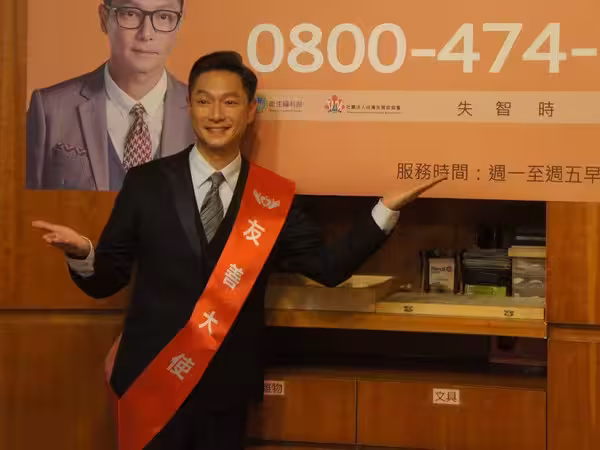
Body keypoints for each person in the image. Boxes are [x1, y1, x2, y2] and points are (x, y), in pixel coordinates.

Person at [32, 52, 446, 449]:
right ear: (189, 107)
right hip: (151, 380)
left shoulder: (273, 198)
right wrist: (83, 252)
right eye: (204, 101)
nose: (216, 114)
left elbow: (329, 267)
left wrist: (384, 210)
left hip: (225, 388)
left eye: (229, 102)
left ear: (250, 111)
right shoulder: (146, 182)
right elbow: (109, 278)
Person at [26, 0, 194, 192]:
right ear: (104, 18)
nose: (146, 34)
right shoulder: (50, 110)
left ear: (179, 23)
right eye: (130, 13)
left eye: (163, 16)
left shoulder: (206, 115)